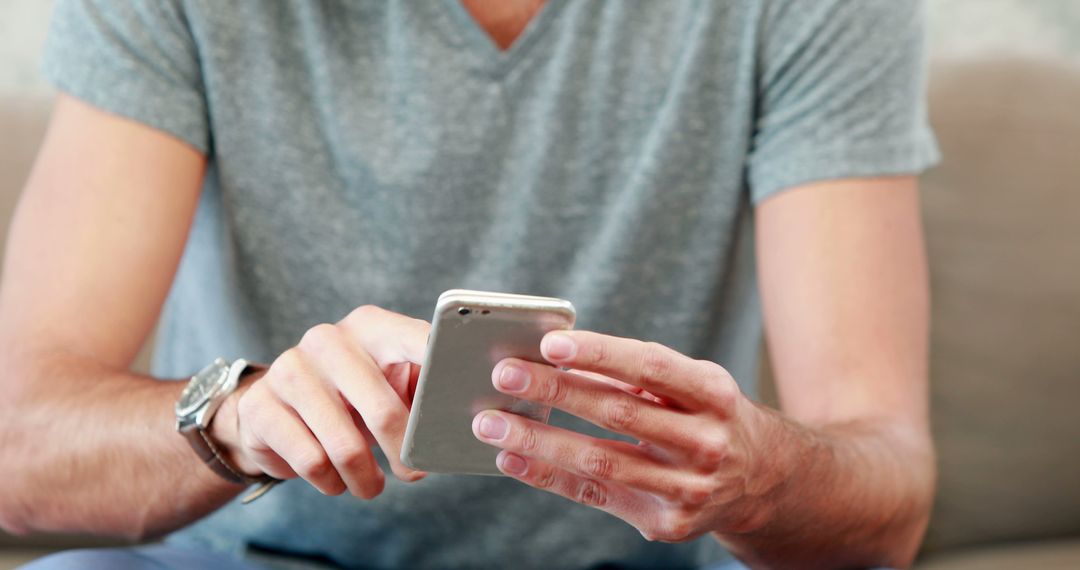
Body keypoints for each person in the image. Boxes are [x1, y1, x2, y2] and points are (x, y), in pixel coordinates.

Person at [0, 0, 940, 568]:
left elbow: (890, 498)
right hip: (254, 556)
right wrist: (238, 419)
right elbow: (21, 450)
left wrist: (759, 477)